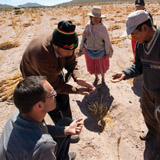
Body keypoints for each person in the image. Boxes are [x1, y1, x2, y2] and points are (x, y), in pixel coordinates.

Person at [20, 20, 95, 124]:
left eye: (73, 50)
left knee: (63, 98)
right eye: (68, 51)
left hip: (52, 72)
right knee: (50, 104)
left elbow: (71, 63)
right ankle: (62, 130)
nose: (71, 53)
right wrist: (76, 90)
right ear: (55, 46)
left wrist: (77, 78)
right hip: (36, 77)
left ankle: (68, 122)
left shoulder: (67, 44)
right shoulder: (41, 55)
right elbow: (54, 85)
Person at [112, 10, 160, 159]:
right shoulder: (141, 44)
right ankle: (153, 134)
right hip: (148, 89)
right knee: (148, 115)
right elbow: (138, 65)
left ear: (144, 28)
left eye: (133, 33)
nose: (132, 37)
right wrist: (125, 73)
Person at [0, 76, 83, 160]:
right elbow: (40, 137)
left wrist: (66, 130)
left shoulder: (17, 115)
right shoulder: (45, 144)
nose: (56, 95)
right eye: (52, 94)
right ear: (39, 105)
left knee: (65, 123)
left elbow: (40, 128)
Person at [79, 6, 113, 85]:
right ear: (91, 17)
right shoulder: (87, 27)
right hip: (89, 51)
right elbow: (83, 39)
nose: (96, 19)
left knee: (101, 66)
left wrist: (107, 53)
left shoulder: (103, 28)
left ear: (101, 18)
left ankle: (103, 78)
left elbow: (106, 41)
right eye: (94, 17)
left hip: (101, 51)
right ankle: (96, 77)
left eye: (98, 17)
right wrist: (81, 49)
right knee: (93, 66)